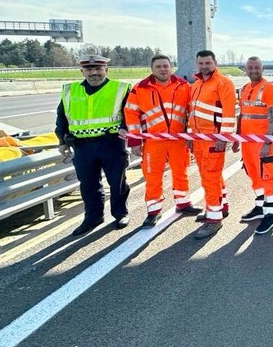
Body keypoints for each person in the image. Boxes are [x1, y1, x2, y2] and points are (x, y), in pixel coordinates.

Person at [55, 54, 132, 236]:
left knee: (117, 181)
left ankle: (120, 213)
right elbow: (62, 117)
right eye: (89, 69)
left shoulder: (120, 88)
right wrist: (61, 140)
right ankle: (93, 217)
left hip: (112, 142)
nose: (94, 73)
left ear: (106, 70)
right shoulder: (70, 90)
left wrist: (126, 128)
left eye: (98, 69)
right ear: (82, 71)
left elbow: (131, 113)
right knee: (88, 184)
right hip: (82, 146)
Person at [124, 54, 201, 228]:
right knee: (152, 176)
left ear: (171, 67)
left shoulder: (184, 86)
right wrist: (135, 140)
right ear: (152, 69)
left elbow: (192, 112)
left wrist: (190, 136)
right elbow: (131, 114)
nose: (162, 69)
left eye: (165, 66)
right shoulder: (140, 88)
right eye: (158, 66)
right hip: (153, 141)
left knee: (181, 172)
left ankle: (183, 203)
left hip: (178, 140)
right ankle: (153, 210)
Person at [188, 50, 236, 239]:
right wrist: (191, 136)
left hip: (213, 139)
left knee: (210, 177)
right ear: (197, 64)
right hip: (199, 140)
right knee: (210, 176)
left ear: (215, 62)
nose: (204, 66)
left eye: (208, 63)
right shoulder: (197, 84)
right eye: (201, 63)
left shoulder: (224, 83)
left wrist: (222, 138)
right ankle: (220, 207)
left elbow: (229, 113)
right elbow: (193, 114)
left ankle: (214, 220)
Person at [232, 56, 273, 235]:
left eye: (256, 67)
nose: (253, 70)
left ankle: (270, 214)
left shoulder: (269, 89)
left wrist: (268, 142)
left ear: (263, 68)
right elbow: (242, 115)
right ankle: (260, 207)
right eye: (250, 67)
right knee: (255, 177)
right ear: (246, 69)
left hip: (262, 143)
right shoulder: (245, 89)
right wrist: (237, 138)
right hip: (247, 143)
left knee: (268, 177)